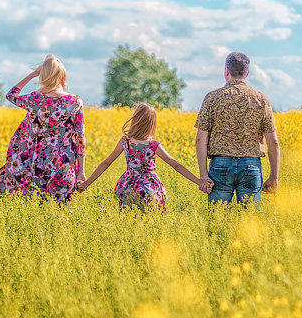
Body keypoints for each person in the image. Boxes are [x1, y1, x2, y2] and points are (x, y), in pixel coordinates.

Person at [77, 102, 206, 210]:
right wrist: (199, 181)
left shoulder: (125, 141)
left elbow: (105, 163)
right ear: (152, 123)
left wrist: (86, 184)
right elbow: (176, 165)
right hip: (149, 188)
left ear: (135, 120)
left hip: (126, 187)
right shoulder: (153, 145)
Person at [0, 55, 86, 203]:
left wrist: (32, 74)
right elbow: (80, 139)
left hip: (37, 165)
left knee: (37, 210)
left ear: (43, 75)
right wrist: (81, 171)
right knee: (63, 213)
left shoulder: (35, 99)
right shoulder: (75, 102)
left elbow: (11, 95)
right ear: (63, 76)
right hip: (64, 166)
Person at [195, 52, 280, 204]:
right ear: (247, 73)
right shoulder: (261, 99)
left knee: (218, 219)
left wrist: (203, 175)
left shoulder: (212, 98)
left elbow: (200, 138)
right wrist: (274, 177)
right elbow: (273, 142)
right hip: (251, 166)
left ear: (226, 71)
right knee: (249, 222)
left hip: (220, 165)